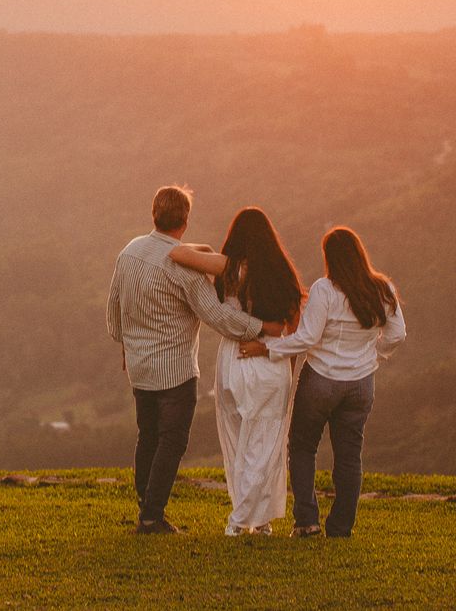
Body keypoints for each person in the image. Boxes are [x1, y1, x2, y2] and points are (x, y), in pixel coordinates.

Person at [106, 185, 288, 535]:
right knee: (172, 440)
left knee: (148, 436)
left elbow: (114, 308)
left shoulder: (129, 252)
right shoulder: (184, 269)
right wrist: (263, 327)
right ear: (185, 221)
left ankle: (146, 504)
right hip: (175, 371)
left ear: (153, 214)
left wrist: (125, 344)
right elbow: (217, 316)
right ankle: (151, 515)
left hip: (140, 367)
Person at [240, 225, 405, 537]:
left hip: (321, 380)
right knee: (349, 454)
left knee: (302, 446)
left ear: (329, 257)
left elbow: (306, 338)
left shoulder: (325, 290)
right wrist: (373, 355)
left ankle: (307, 521)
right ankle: (341, 526)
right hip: (360, 383)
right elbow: (398, 334)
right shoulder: (383, 289)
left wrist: (269, 347)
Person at [167, 207, 306, 535]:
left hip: (233, 361)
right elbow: (294, 332)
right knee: (266, 445)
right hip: (271, 363)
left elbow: (176, 252)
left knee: (240, 440)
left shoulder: (228, 268)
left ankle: (253, 519)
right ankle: (249, 520)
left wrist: (211, 250)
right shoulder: (282, 274)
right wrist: (286, 366)